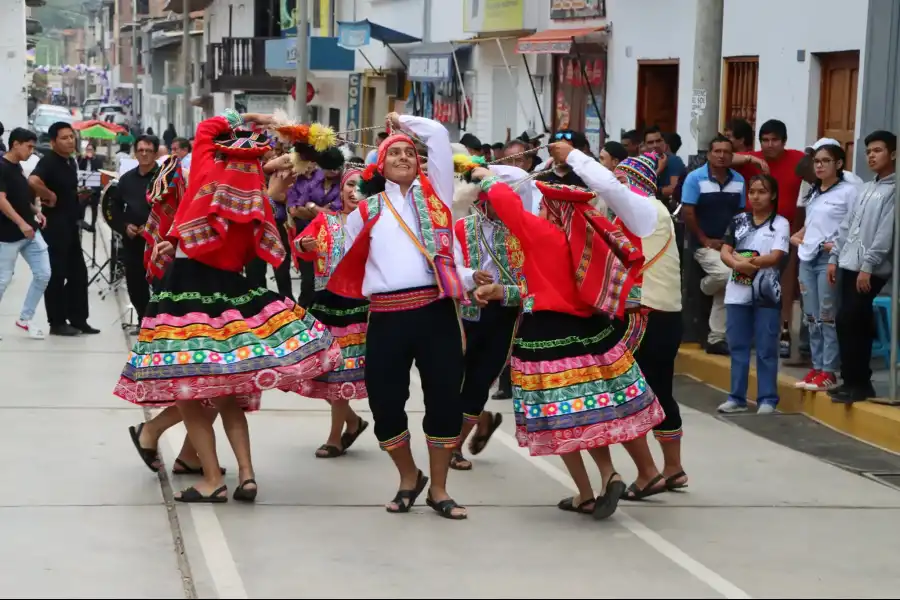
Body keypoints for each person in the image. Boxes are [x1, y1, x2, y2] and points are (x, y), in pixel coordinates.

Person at [114, 110, 342, 503]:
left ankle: (211, 478)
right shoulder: (255, 193)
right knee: (228, 391)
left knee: (187, 391)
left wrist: (246, 116)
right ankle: (246, 475)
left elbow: (206, 130)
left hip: (185, 291)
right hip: (232, 290)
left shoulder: (207, 170)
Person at [469, 139, 662, 520]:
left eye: (544, 204)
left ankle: (586, 492)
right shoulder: (581, 243)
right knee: (585, 414)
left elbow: (508, 208)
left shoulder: (545, 236)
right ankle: (608, 474)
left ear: (555, 210)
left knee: (559, 419)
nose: (539, 208)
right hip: (588, 331)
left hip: (546, 335)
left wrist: (484, 175)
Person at [327, 112, 468, 520]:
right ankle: (409, 476)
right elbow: (353, 259)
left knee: (444, 399)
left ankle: (439, 489)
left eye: (410, 152)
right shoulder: (365, 212)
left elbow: (439, 134)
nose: (405, 157)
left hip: (434, 311)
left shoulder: (436, 196)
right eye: (395, 153)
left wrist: (402, 122)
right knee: (386, 404)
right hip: (386, 316)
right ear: (381, 166)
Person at [611, 155, 689, 496]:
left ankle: (649, 473)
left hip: (645, 315)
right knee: (659, 388)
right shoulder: (655, 213)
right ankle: (673, 469)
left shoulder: (644, 212)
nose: (616, 189)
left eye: (621, 181)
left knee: (630, 392)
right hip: (664, 314)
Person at [449, 162, 532, 471]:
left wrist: (503, 293)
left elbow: (534, 287)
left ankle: (454, 447)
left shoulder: (525, 233)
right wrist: (470, 281)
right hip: (464, 313)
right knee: (454, 380)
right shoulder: (460, 227)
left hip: (505, 318)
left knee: (480, 380)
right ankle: (480, 421)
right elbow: (449, 268)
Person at [293, 168, 370, 457]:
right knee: (325, 372)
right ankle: (352, 421)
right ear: (340, 188)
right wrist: (303, 244)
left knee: (341, 374)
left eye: (360, 186)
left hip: (358, 308)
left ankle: (335, 437)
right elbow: (300, 246)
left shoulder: (374, 225)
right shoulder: (325, 220)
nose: (354, 190)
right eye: (350, 184)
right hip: (326, 305)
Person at [829, 130, 897, 403]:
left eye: (877, 150)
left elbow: (886, 233)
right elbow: (848, 225)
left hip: (871, 268)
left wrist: (868, 265)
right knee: (845, 321)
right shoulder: (866, 189)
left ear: (892, 153)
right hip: (848, 263)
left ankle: (860, 382)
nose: (871, 156)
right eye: (868, 151)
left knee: (854, 318)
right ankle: (850, 380)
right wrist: (835, 257)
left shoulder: (894, 191)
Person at [718, 175, 790, 414]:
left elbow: (777, 255)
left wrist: (750, 262)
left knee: (766, 347)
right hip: (737, 292)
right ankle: (736, 397)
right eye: (752, 191)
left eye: (762, 192)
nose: (756, 196)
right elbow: (725, 251)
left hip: (767, 293)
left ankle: (767, 399)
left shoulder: (780, 223)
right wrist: (737, 265)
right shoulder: (738, 221)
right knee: (738, 346)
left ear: (773, 195)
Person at [791, 144, 857, 392]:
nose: (819, 165)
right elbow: (811, 225)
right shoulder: (814, 192)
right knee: (811, 316)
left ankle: (829, 369)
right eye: (817, 161)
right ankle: (817, 366)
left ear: (839, 164)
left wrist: (836, 249)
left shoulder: (849, 191)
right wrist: (797, 238)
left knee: (827, 315)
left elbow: (853, 226)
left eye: (825, 161)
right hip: (807, 257)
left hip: (829, 260)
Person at [28, 121, 97, 336]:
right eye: (64, 138)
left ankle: (78, 319)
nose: (70, 141)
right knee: (57, 275)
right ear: (53, 142)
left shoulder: (70, 162)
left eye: (71, 137)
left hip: (70, 225)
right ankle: (57, 322)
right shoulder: (49, 161)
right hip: (55, 227)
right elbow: (32, 180)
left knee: (78, 274)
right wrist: (49, 195)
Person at [0, 128, 50, 340]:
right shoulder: (1, 167)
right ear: (15, 144)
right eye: (28, 146)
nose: (31, 151)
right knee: (2, 280)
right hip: (9, 235)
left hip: (30, 232)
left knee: (44, 273)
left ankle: (25, 318)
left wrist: (35, 210)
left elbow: (19, 196)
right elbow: (1, 200)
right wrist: (21, 224)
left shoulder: (17, 167)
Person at [107, 134, 159, 323]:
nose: (144, 154)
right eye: (140, 150)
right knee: (135, 284)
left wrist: (150, 227)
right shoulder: (127, 179)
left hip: (158, 242)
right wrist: (125, 225)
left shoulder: (164, 178)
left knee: (160, 284)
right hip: (133, 240)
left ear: (155, 153)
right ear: (135, 153)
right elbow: (115, 207)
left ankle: (159, 322)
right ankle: (143, 320)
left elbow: (173, 208)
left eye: (148, 151)